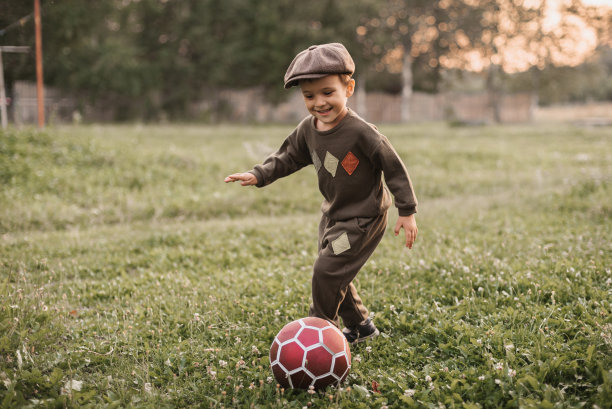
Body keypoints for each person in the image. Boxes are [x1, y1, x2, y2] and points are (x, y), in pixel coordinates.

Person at [225, 43, 418, 344]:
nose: (319, 102)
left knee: (326, 269)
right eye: (309, 96)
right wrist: (258, 174)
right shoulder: (308, 129)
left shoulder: (361, 132)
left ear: (348, 88)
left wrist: (406, 210)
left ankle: (320, 334)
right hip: (333, 215)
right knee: (336, 269)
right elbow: (287, 156)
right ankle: (361, 326)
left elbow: (392, 167)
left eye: (328, 92)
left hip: (363, 218)